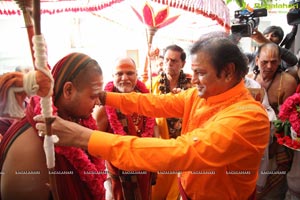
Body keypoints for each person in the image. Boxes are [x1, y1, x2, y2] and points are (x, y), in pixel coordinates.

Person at [35, 36, 270, 200]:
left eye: (200, 73)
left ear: (228, 72)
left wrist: (85, 138)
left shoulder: (249, 118)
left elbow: (180, 152)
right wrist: (105, 97)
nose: (193, 79)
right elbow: (153, 103)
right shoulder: (202, 95)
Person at [0, 52, 106, 200]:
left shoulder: (73, 121)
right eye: (93, 96)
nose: (97, 103)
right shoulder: (33, 142)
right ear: (68, 90)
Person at [94, 56, 156, 200]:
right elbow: (95, 147)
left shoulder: (146, 100)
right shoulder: (104, 107)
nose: (124, 78)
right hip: (119, 177)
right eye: (119, 73)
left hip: (145, 168)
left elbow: (154, 128)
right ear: (112, 77)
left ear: (137, 75)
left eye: (129, 73)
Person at [146, 44, 192, 200]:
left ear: (183, 64)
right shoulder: (151, 85)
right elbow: (145, 113)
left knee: (177, 191)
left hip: (183, 150)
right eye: (166, 60)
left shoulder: (191, 88)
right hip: (161, 149)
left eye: (174, 60)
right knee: (158, 192)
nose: (169, 64)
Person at [252, 42, 297, 200]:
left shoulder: (288, 82)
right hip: (253, 140)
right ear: (257, 60)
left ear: (280, 62)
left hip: (277, 143)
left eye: (274, 62)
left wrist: (274, 145)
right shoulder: (249, 80)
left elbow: (287, 119)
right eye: (265, 62)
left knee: (272, 192)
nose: (269, 66)